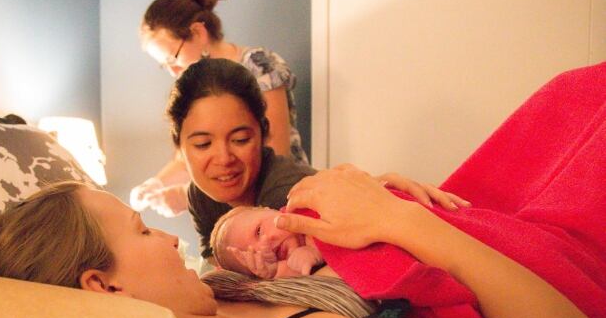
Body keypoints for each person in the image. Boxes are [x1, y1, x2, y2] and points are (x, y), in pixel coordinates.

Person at [0, 63, 606, 318]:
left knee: (573, 94)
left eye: (240, 138)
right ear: (102, 288)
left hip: (481, 227)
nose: (165, 238)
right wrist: (397, 221)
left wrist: (378, 204)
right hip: (547, 262)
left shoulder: (218, 299)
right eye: (141, 232)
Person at [163, 58, 464, 260]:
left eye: (240, 140)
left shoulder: (290, 195)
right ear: (179, 146)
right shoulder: (200, 195)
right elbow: (215, 261)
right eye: (203, 144)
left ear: (263, 134)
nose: (223, 158)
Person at [131, 0, 309, 218]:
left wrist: (187, 196)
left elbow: (275, 153)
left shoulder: (259, 67)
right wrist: (156, 184)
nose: (173, 71)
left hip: (280, 203)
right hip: (232, 215)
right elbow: (189, 156)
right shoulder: (192, 88)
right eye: (165, 66)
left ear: (197, 32)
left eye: (173, 59)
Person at [210, 205, 325, 278]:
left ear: (269, 209)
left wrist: (315, 248)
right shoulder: (284, 271)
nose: (264, 248)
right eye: (254, 255)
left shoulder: (303, 206)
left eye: (258, 231)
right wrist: (278, 272)